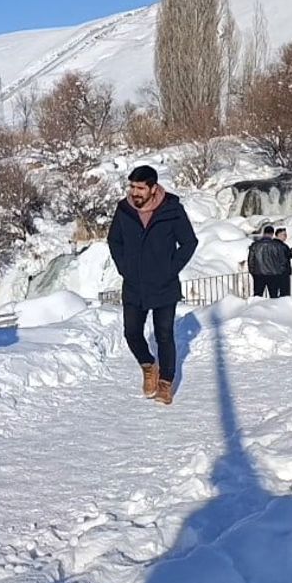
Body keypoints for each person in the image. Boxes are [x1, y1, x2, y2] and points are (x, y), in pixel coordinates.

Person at [107, 165, 199, 405]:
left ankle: (165, 383)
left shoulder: (171, 210)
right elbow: (114, 240)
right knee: (131, 332)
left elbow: (189, 242)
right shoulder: (124, 209)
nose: (134, 192)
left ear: (153, 188)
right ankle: (148, 366)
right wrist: (123, 266)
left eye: (140, 188)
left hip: (164, 285)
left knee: (164, 335)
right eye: (132, 187)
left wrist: (171, 268)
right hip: (134, 284)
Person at [247, 226, 290, 298]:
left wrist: (253, 272)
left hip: (258, 274)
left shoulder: (255, 245)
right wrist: (279, 272)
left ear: (263, 233)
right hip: (273, 274)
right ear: (272, 234)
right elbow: (283, 261)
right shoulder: (277, 245)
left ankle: (256, 308)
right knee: (273, 296)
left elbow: (251, 261)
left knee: (257, 296)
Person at [275, 227, 292, 296]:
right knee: (284, 293)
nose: (285, 237)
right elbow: (291, 255)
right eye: (284, 234)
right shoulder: (283, 246)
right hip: (283, 272)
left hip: (272, 272)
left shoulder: (271, 245)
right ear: (278, 235)